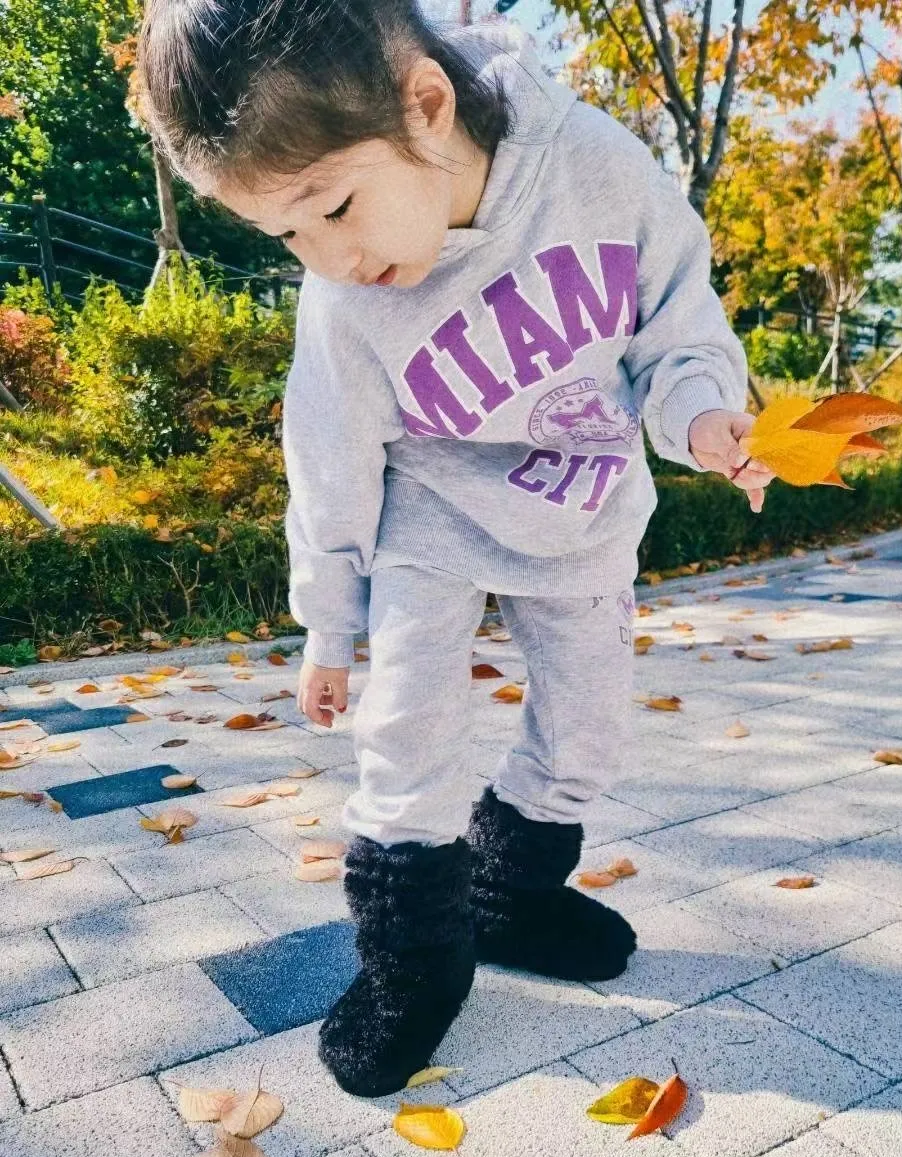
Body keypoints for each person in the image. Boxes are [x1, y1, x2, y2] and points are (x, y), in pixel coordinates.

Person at [135, 1, 773, 1098]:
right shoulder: (344, 302)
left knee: (587, 736)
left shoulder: (597, 170)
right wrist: (330, 626)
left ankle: (510, 897)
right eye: (287, 236)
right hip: (427, 511)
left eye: (336, 207)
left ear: (426, 104)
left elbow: (677, 329)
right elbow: (330, 458)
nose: (330, 259)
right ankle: (414, 961)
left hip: (582, 507)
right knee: (408, 736)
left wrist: (706, 417)